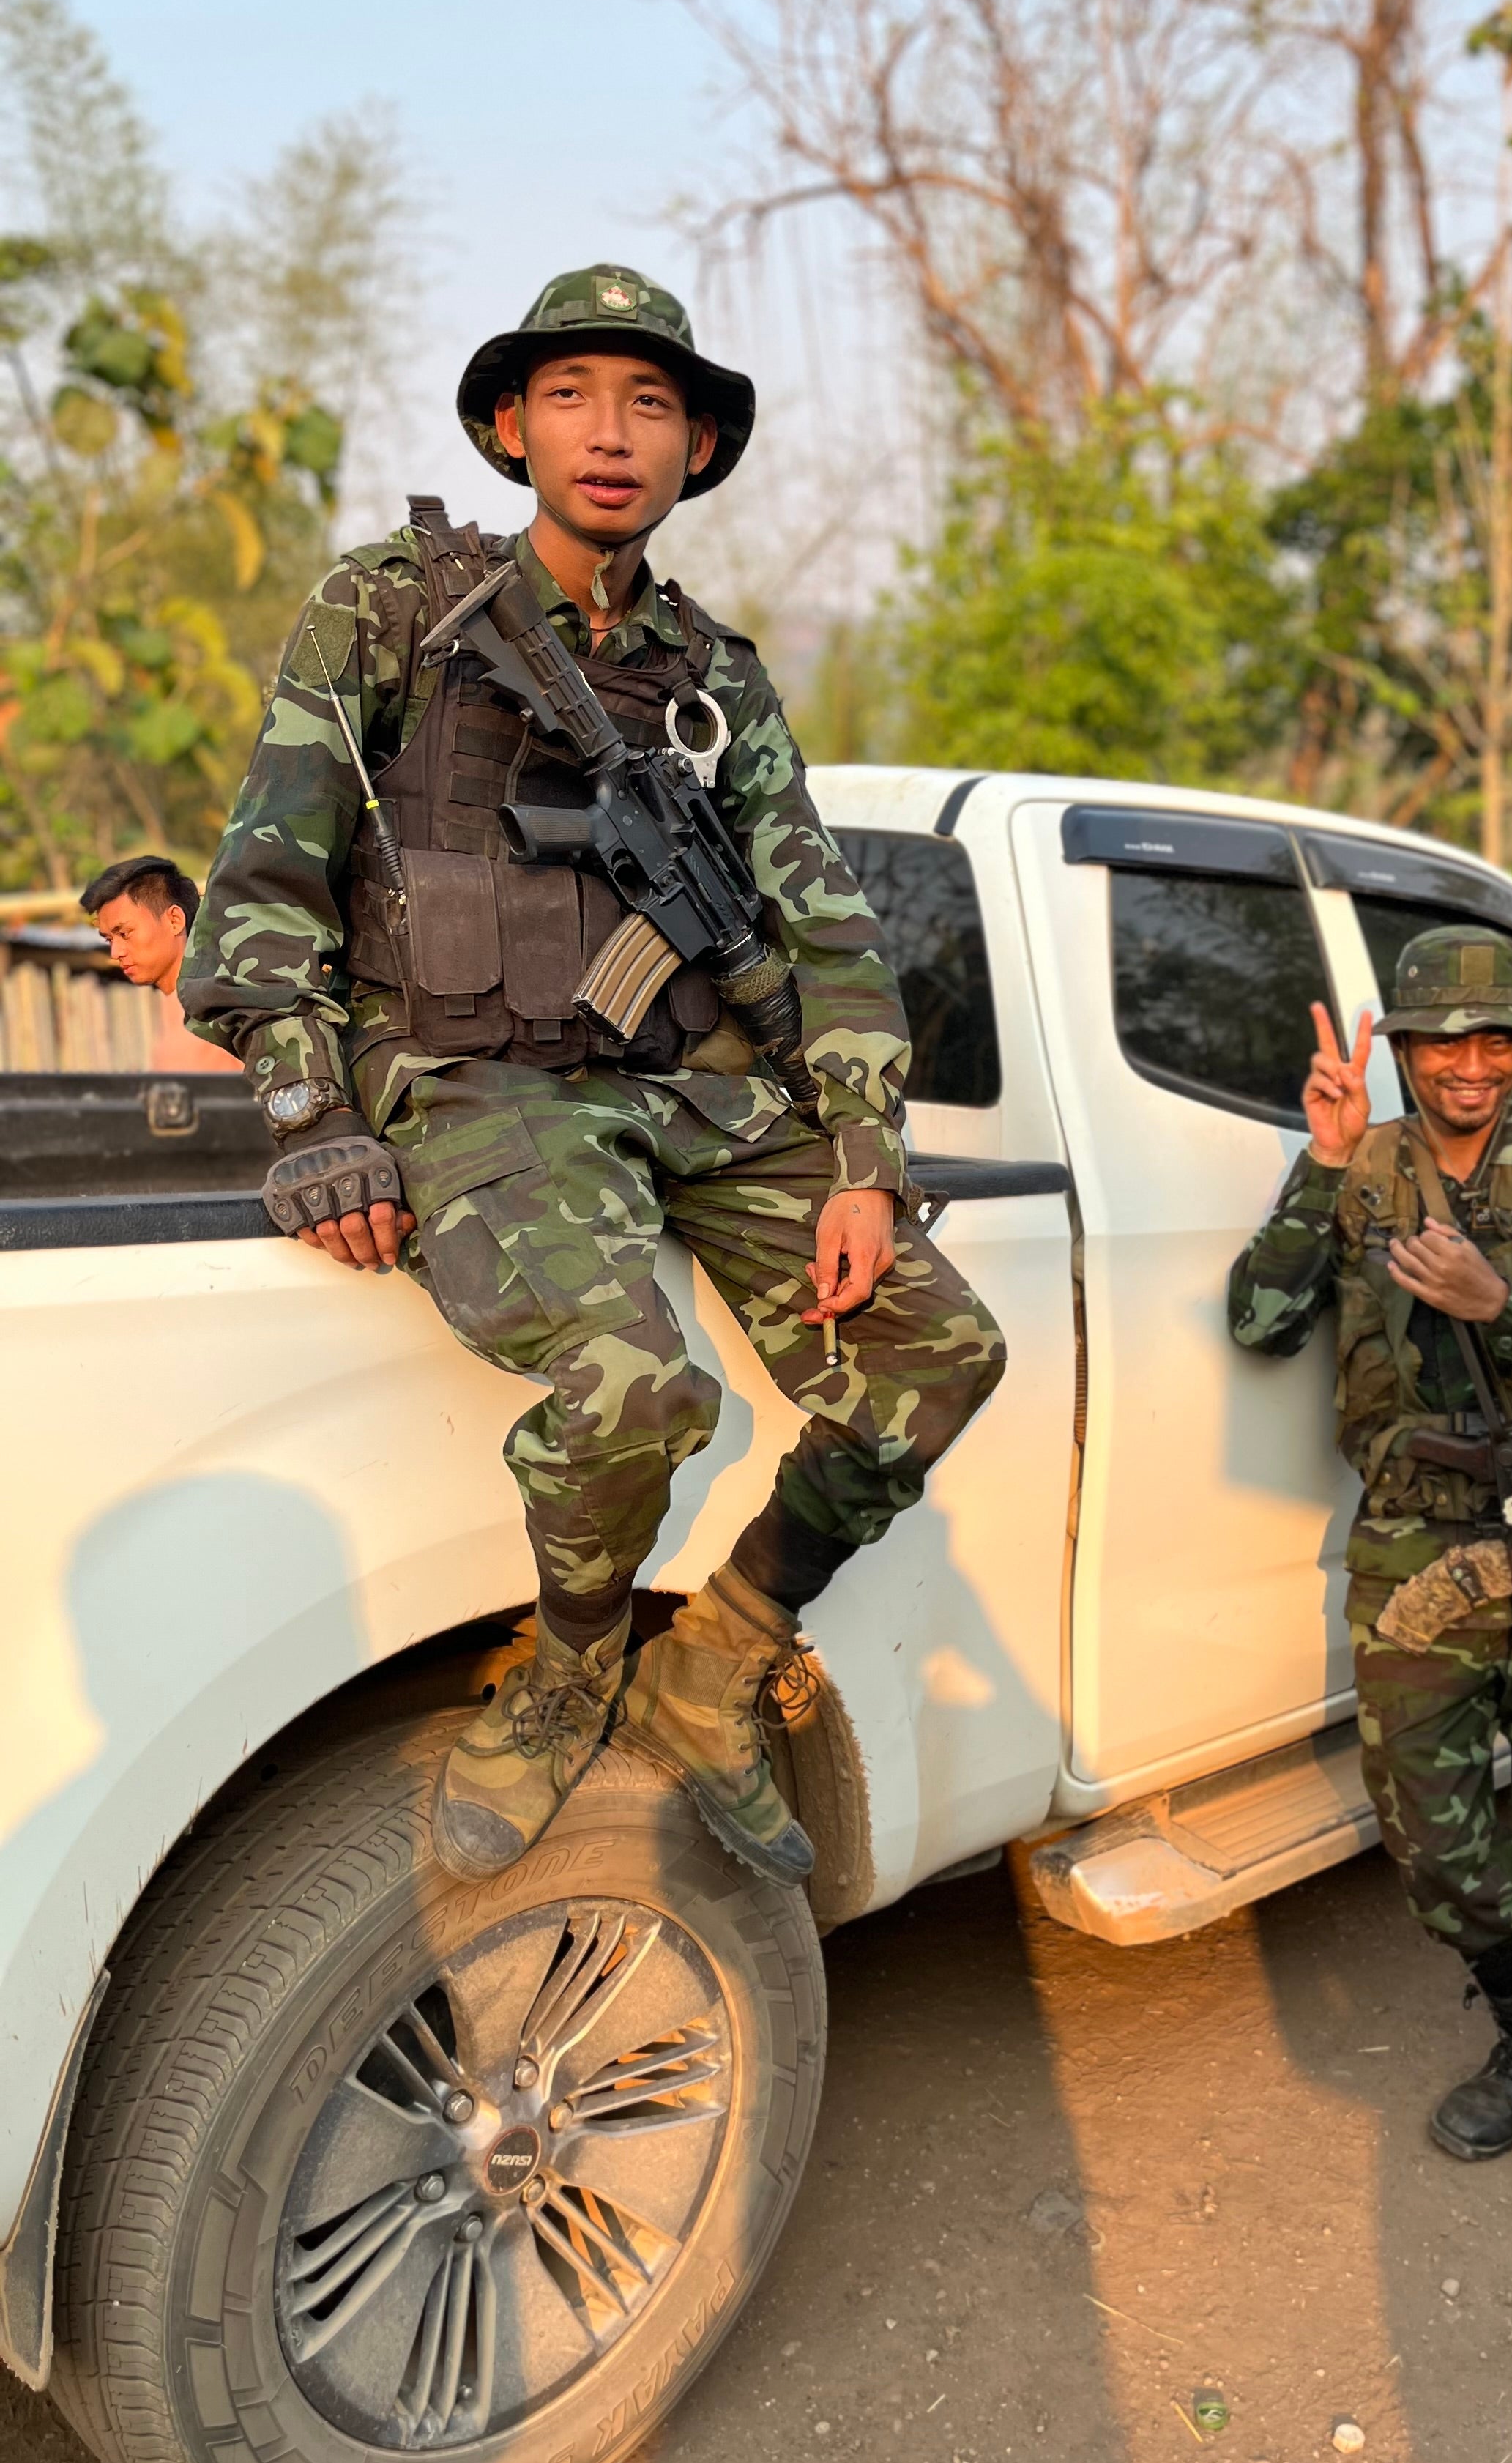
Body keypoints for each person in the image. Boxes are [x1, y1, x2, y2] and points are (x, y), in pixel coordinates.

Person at [181, 262, 1006, 1886]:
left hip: (691, 1089)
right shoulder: (391, 609)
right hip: (482, 1084)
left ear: (697, 448)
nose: (611, 435)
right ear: (510, 425)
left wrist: (861, 1151)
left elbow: (821, 921)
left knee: (939, 1348)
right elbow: (269, 874)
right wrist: (309, 1105)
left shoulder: (715, 679)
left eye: (650, 405)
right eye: (572, 397)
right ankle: (568, 1678)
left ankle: (716, 1666)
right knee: (640, 1390)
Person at [1226, 927, 1512, 2234]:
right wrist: (1318, 1166)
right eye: (1440, 1041)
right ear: (1404, 1048)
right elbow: (1256, 1320)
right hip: (1416, 1544)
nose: (1468, 1066)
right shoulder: (1361, 1172)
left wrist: (1497, 1305)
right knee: (1427, 1824)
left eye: (1491, 1042)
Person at [80, 854, 239, 1072]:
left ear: (174, 921)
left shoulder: (225, 1006)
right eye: (109, 939)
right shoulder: (173, 1007)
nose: (115, 953)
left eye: (125, 933)